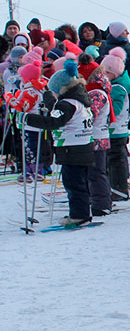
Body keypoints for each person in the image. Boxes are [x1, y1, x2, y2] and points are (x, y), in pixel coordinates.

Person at [23, 60, 94, 226]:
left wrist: (27, 118)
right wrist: (46, 94)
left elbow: (53, 121)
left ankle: (79, 216)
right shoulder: (78, 99)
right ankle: (82, 213)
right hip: (83, 148)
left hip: (73, 150)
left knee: (73, 184)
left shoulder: (67, 104)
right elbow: (56, 109)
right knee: (80, 183)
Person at [101, 48, 130, 200]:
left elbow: (116, 109)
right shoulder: (113, 86)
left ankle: (119, 188)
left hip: (116, 130)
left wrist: (103, 114)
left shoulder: (117, 88)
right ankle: (116, 186)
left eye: (105, 73)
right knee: (115, 158)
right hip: (114, 130)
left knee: (115, 160)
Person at [84, 66, 113, 217]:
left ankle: (101, 204)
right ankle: (100, 201)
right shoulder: (95, 91)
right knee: (95, 172)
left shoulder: (96, 93)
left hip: (96, 137)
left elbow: (90, 114)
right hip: (96, 136)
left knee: (96, 172)